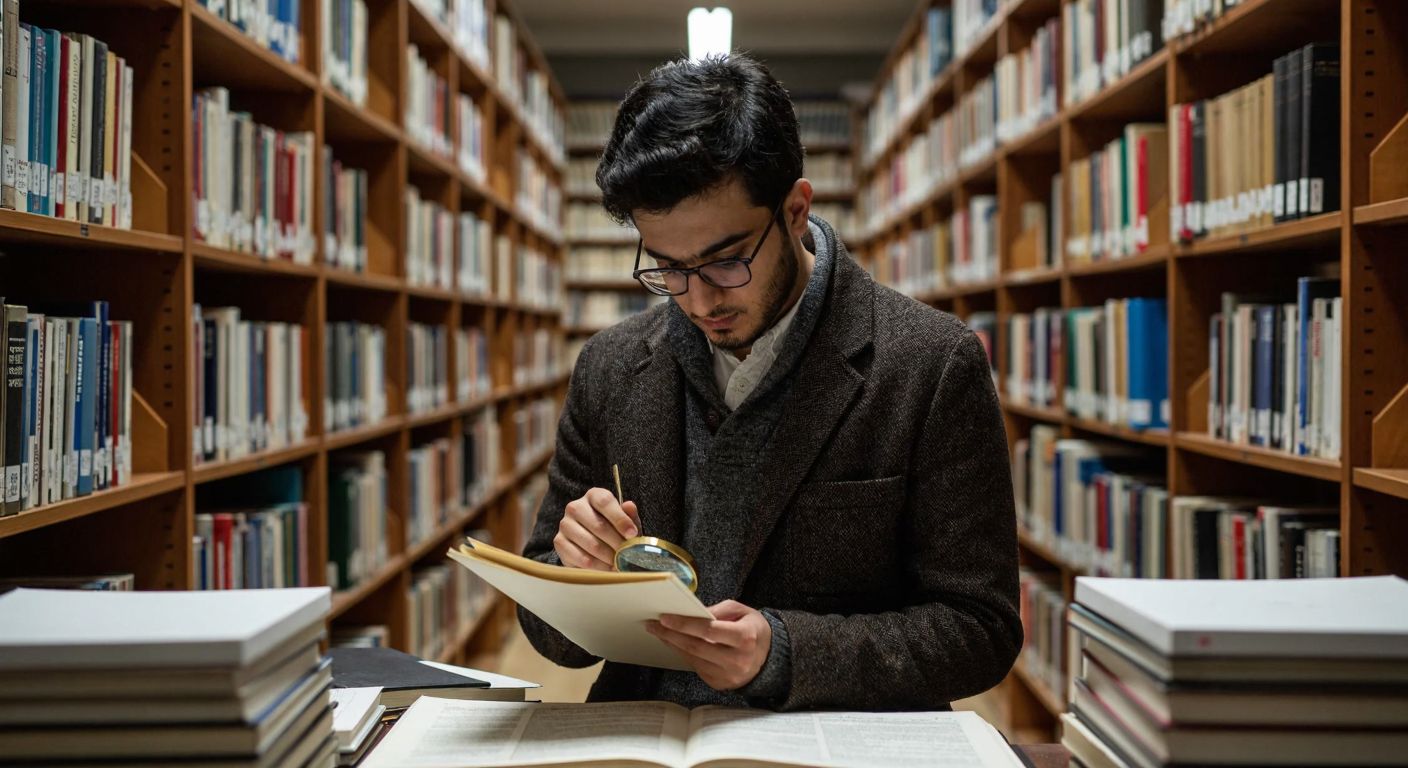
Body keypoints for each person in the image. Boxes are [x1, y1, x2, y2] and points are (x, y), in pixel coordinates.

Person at [519, 53, 1021, 711]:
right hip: (646, 734)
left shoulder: (929, 364)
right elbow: (548, 632)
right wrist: (575, 580)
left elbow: (979, 628)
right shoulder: (610, 368)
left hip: (837, 740)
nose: (697, 301)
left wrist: (784, 652)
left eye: (726, 261)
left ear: (795, 209)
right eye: (668, 267)